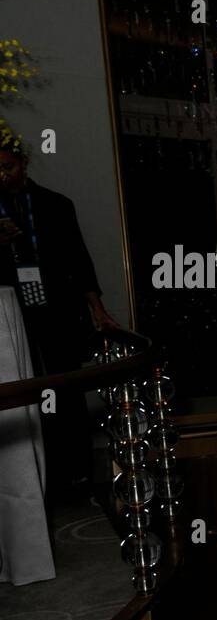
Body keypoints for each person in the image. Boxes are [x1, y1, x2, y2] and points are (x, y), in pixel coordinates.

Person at [0, 124, 119, 500]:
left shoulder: (55, 204)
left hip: (58, 312)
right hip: (11, 317)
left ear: (23, 163)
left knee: (65, 390)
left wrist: (97, 308)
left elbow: (80, 261)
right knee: (24, 392)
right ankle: (37, 478)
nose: (3, 175)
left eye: (8, 166)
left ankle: (78, 474)